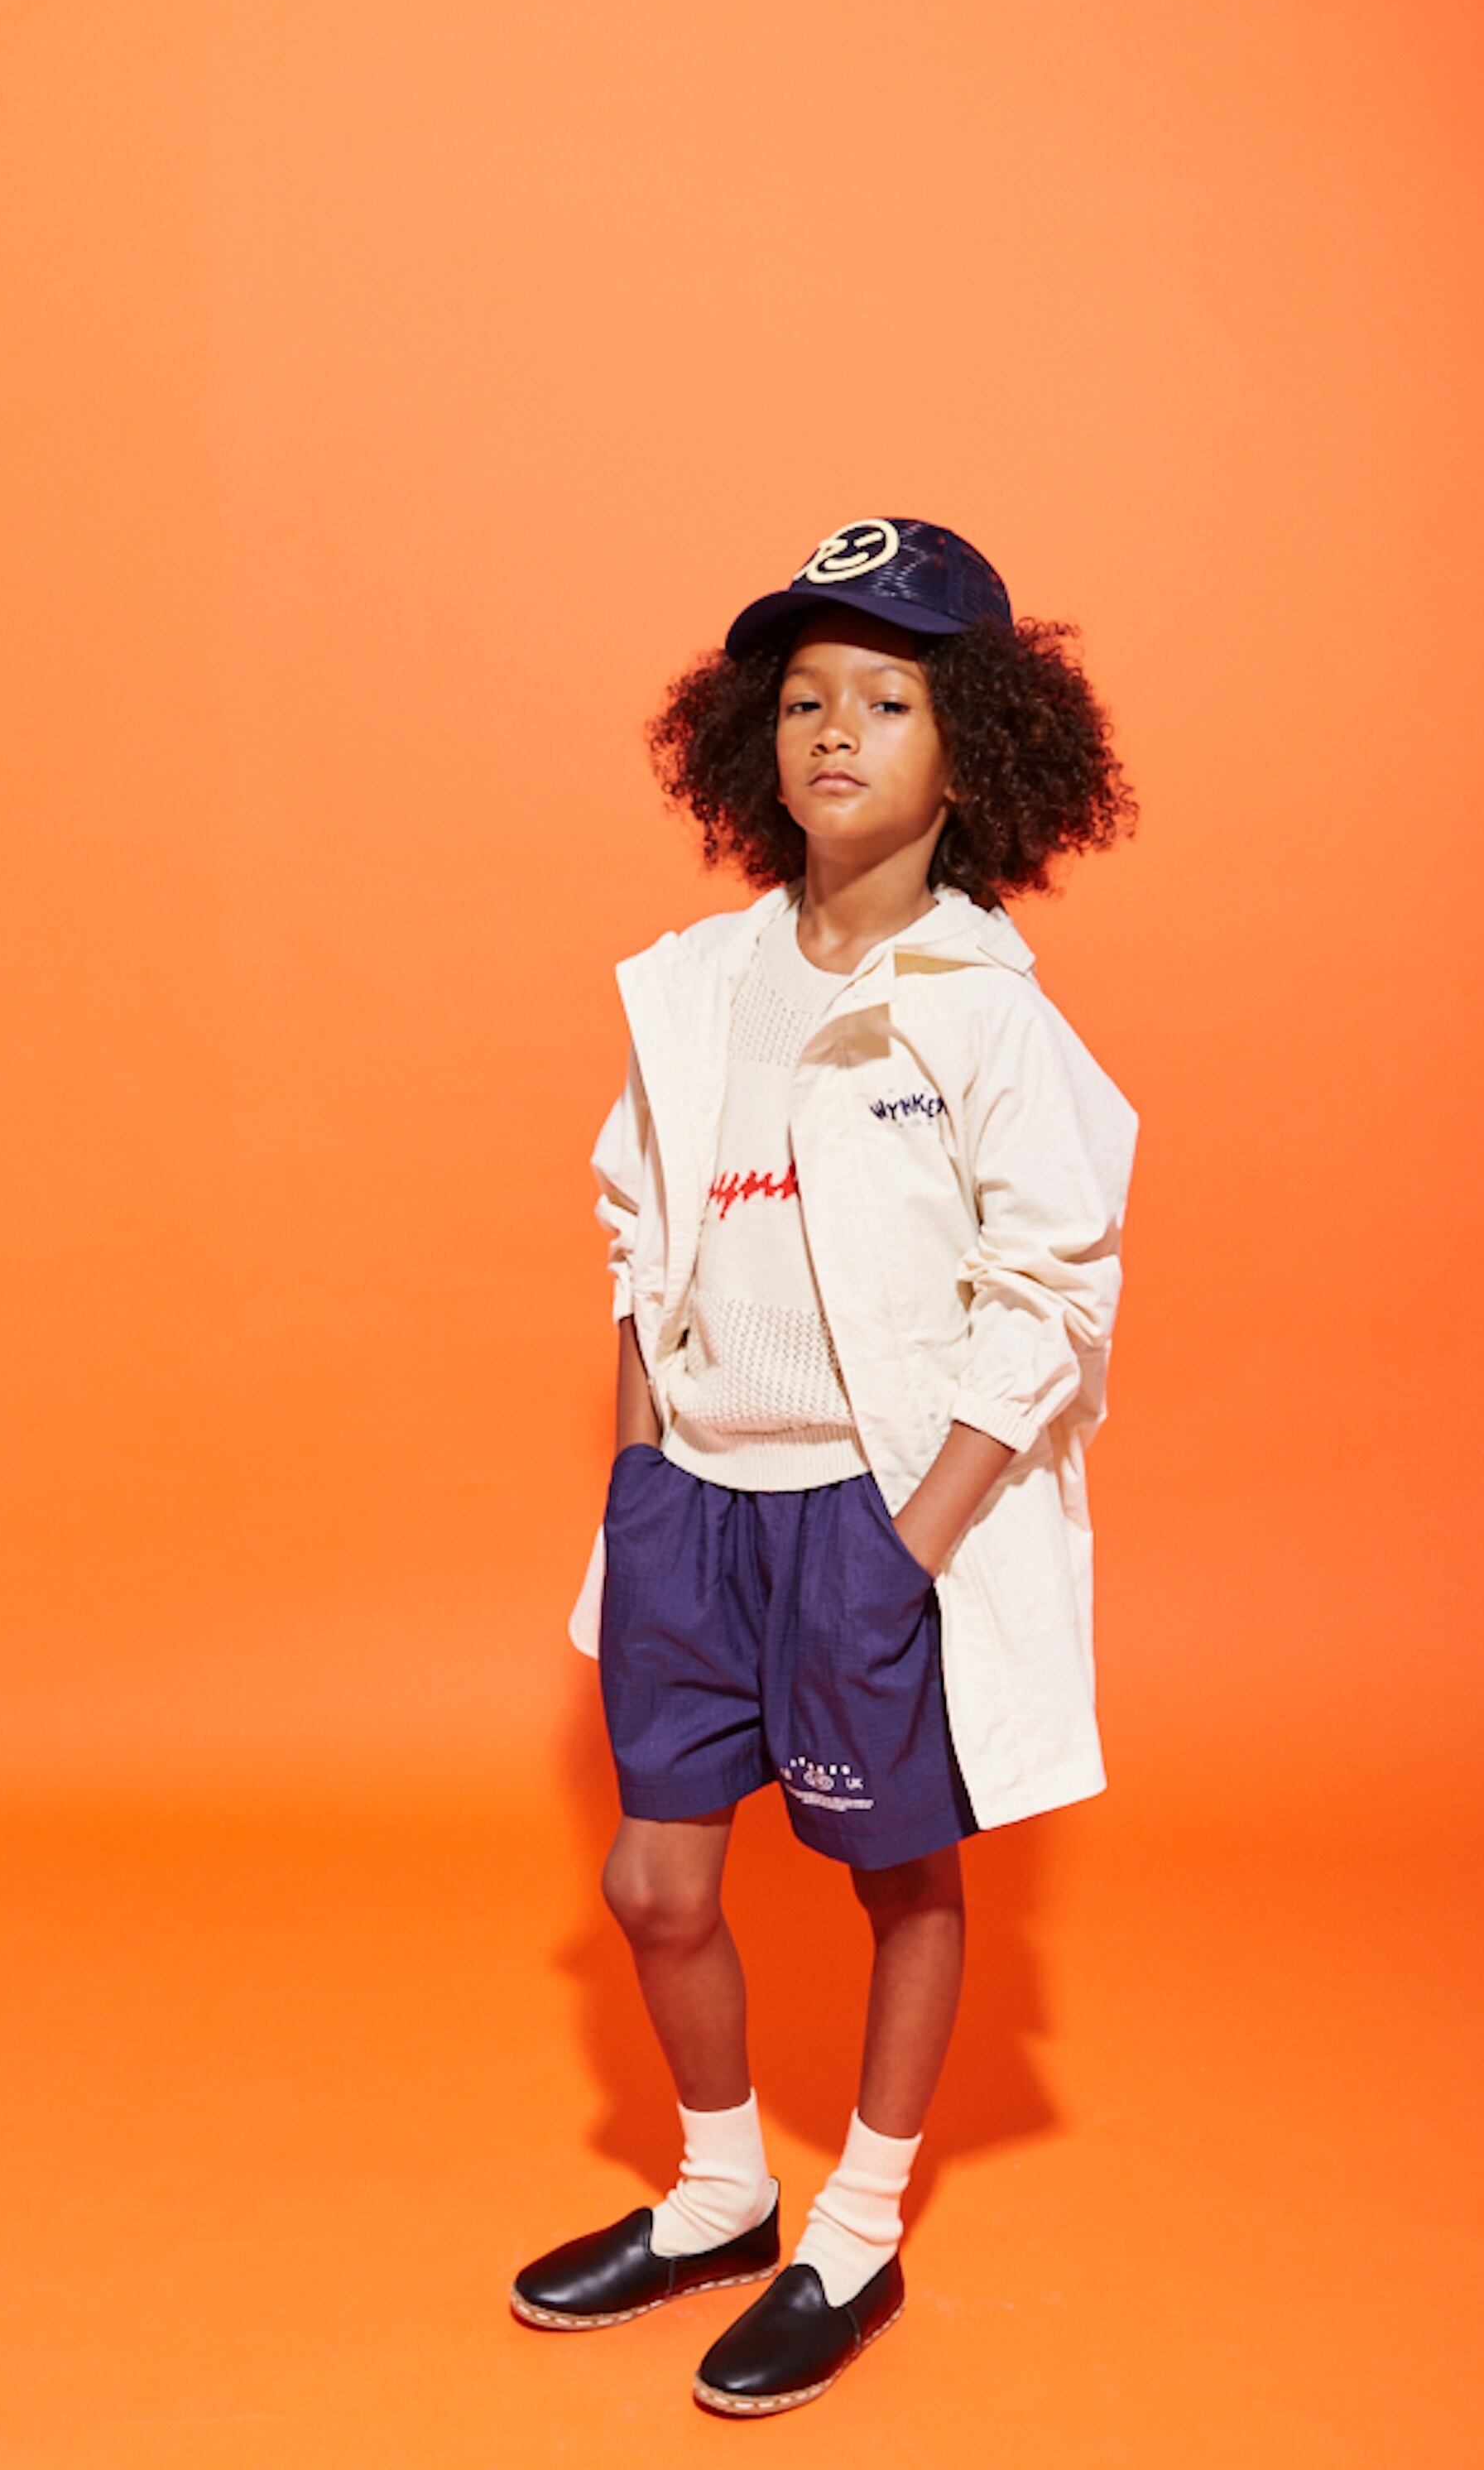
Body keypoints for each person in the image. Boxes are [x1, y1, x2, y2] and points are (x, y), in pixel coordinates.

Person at [509, 517, 1141, 2415]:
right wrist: (641, 1463)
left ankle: (857, 2230)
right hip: (693, 1504)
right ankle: (720, 2193)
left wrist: (910, 1540)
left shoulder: (986, 1012)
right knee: (654, 1882)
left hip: (874, 1514)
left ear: (978, 752)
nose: (836, 732)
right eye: (803, 701)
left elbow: (1055, 1291)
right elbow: (638, 1226)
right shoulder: (696, 982)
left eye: (887, 700)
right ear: (750, 741)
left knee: (898, 1872)